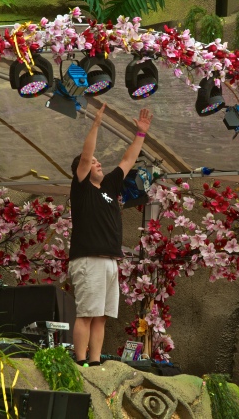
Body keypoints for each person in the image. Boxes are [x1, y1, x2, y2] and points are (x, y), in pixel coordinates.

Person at [68, 103, 153, 366]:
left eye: (97, 161)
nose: (97, 163)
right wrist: (95, 124)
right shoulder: (81, 188)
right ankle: (81, 361)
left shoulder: (107, 186)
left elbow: (128, 160)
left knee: (102, 316)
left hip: (109, 260)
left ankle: (95, 363)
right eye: (93, 163)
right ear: (82, 170)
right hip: (88, 259)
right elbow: (85, 157)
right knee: (86, 313)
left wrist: (140, 133)